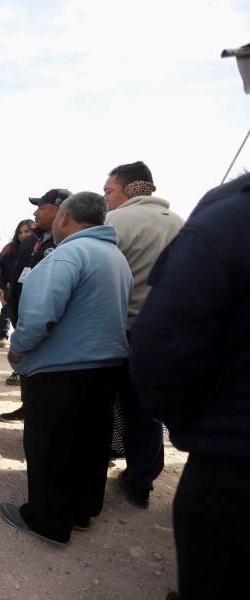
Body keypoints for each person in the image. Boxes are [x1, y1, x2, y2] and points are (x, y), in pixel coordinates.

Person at [130, 173, 250, 598]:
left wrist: (195, 425)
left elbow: (162, 352)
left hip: (233, 469)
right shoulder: (197, 219)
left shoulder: (228, 218)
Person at [0, 192, 132, 546]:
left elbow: (39, 315)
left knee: (50, 446)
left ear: (66, 218)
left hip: (63, 371)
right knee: (90, 444)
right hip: (106, 367)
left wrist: (17, 350)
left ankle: (47, 520)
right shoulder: (114, 256)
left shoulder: (69, 254)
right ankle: (82, 510)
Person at [103, 161, 183, 510]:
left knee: (104, 404)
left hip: (123, 332)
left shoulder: (117, 222)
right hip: (165, 337)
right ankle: (141, 480)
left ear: (129, 189)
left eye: (108, 191)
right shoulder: (181, 224)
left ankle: (96, 465)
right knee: (147, 412)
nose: (105, 198)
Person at [0, 188, 71, 407]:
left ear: (60, 210)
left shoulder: (66, 244)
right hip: (22, 317)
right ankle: (26, 408)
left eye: (41, 207)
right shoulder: (31, 240)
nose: (35, 213)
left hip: (50, 326)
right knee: (28, 373)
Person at [0, 220, 35, 348]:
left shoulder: (41, 249)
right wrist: (1, 286)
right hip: (12, 291)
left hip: (32, 294)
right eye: (20, 232)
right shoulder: (10, 250)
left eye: (27, 231)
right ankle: (3, 335)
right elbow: (0, 270)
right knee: (7, 310)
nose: (23, 235)